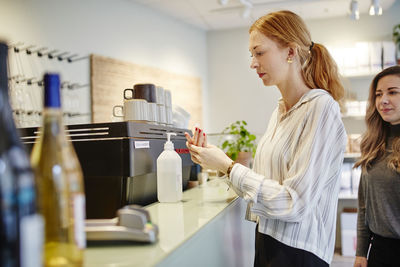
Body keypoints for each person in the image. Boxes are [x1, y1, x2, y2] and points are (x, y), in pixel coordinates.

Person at [185, 10, 347, 267]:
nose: (252, 63)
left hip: (298, 252)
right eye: (252, 55)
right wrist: (217, 164)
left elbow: (295, 203)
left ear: (291, 52)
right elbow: (264, 184)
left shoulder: (321, 108)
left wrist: (228, 166)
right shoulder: (280, 111)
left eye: (259, 53)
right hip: (267, 238)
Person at [353, 65, 400, 267]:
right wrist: (361, 252)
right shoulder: (373, 144)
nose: (383, 100)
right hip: (379, 250)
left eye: (393, 92)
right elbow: (364, 204)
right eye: (379, 94)